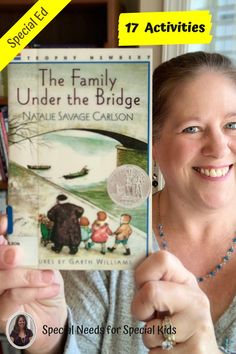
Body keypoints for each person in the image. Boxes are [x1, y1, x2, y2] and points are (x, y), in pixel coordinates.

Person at [0, 51, 235, 354]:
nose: (218, 148)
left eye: (233, 124)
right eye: (192, 128)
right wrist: (53, 342)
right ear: (154, 142)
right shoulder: (106, 245)